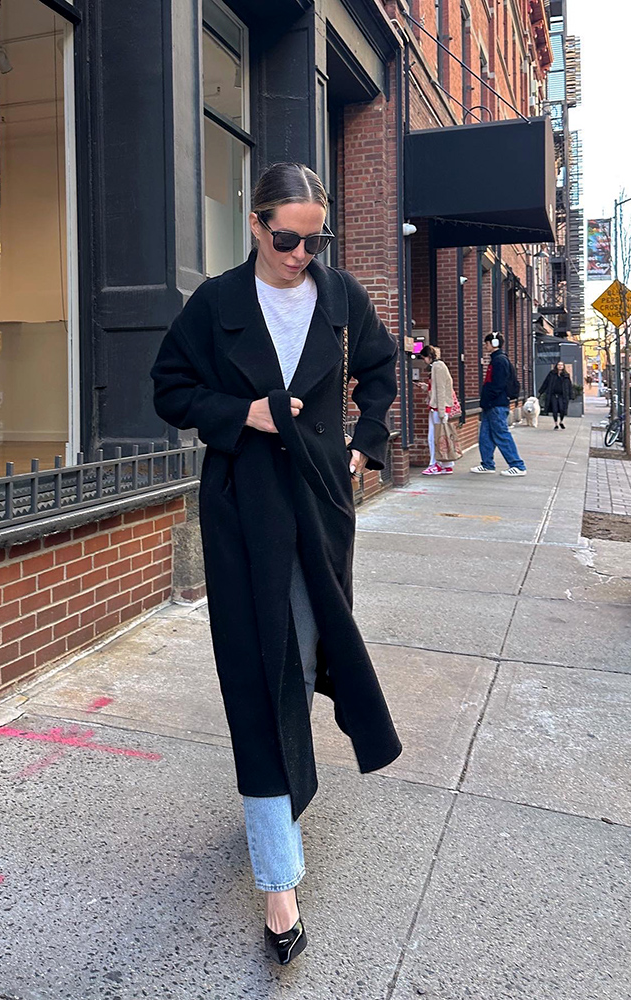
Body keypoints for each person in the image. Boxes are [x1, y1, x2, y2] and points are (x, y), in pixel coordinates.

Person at [151, 162, 402, 966]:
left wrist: (364, 449)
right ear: (256, 225)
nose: (300, 252)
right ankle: (278, 878)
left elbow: (383, 372)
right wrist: (243, 414)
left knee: (302, 659)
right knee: (263, 671)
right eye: (287, 237)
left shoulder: (340, 299)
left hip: (322, 508)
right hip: (242, 512)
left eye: (313, 238)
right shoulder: (217, 304)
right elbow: (169, 388)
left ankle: (282, 794)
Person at [470, 333, 527, 477]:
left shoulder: (499, 361)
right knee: (485, 436)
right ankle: (487, 464)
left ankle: (517, 465)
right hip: (492, 405)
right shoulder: (498, 359)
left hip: (496, 405)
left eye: (487, 343)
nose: (486, 346)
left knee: (501, 435)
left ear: (493, 343)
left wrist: (488, 400)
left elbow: (497, 384)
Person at [417, 345, 458, 475]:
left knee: (434, 437)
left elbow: (440, 390)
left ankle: (435, 464)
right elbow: (437, 388)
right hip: (441, 407)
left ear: (428, 357)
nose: (424, 361)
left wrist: (441, 411)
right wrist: (425, 387)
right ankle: (446, 464)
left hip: (438, 408)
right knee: (441, 436)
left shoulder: (437, 367)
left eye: (424, 358)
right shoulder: (440, 366)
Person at [539, 361, 572, 429]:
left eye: (561, 365)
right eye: (559, 365)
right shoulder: (552, 374)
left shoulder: (566, 375)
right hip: (553, 395)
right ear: (556, 366)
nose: (560, 366)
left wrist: (570, 395)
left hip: (562, 395)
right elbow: (546, 382)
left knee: (562, 409)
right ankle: (556, 424)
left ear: (563, 366)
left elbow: (569, 386)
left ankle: (561, 422)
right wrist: (541, 391)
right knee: (555, 409)